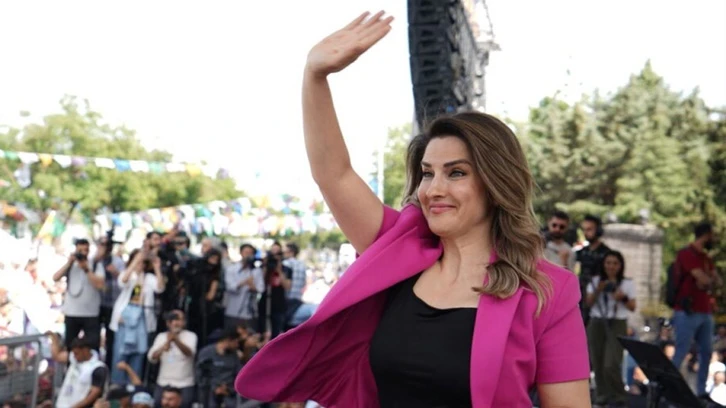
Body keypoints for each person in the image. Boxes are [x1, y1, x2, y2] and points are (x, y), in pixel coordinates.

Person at [234, 10, 590, 407]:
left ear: (496, 184)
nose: (433, 189)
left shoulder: (549, 291)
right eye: (427, 173)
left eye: (456, 173)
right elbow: (333, 174)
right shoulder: (397, 249)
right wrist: (315, 76)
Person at [671, 222, 721, 397]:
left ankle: (701, 391)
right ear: (706, 235)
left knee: (706, 352)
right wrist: (707, 280)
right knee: (681, 351)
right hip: (687, 311)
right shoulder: (686, 254)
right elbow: (705, 279)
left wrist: (707, 280)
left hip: (705, 311)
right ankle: (668, 389)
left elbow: (716, 281)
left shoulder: (706, 258)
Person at [585, 250, 636, 407]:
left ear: (620, 266)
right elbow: (588, 303)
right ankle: (602, 395)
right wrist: (599, 289)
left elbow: (633, 307)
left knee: (611, 363)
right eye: (608, 263)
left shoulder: (627, 283)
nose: (611, 267)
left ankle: (619, 395)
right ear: (603, 264)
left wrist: (622, 297)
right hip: (597, 321)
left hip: (618, 322)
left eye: (615, 263)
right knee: (597, 360)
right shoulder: (595, 281)